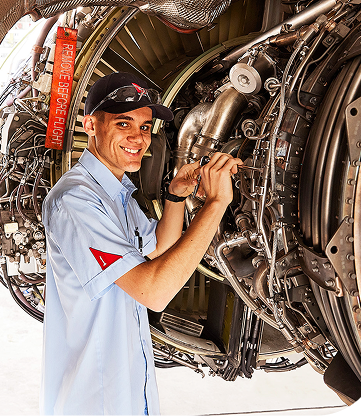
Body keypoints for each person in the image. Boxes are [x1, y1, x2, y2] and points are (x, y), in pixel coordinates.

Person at [40, 72, 242, 416]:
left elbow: (160, 249)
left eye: (145, 127)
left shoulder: (117, 194)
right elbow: (155, 291)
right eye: (124, 124)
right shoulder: (77, 201)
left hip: (130, 393)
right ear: (91, 125)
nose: (138, 138)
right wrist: (216, 205)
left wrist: (176, 196)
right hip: (94, 400)